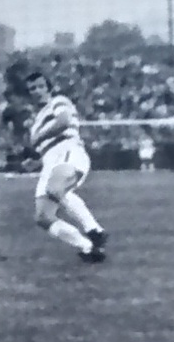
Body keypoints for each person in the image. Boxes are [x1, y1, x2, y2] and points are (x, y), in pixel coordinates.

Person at [16, 62, 107, 263]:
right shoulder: (37, 120)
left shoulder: (58, 101)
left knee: (55, 190)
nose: (37, 91)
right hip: (50, 162)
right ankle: (87, 247)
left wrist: (37, 138)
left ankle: (94, 230)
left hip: (68, 151)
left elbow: (64, 121)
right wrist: (35, 162)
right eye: (32, 89)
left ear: (48, 87)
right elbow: (44, 149)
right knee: (42, 217)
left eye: (40, 86)